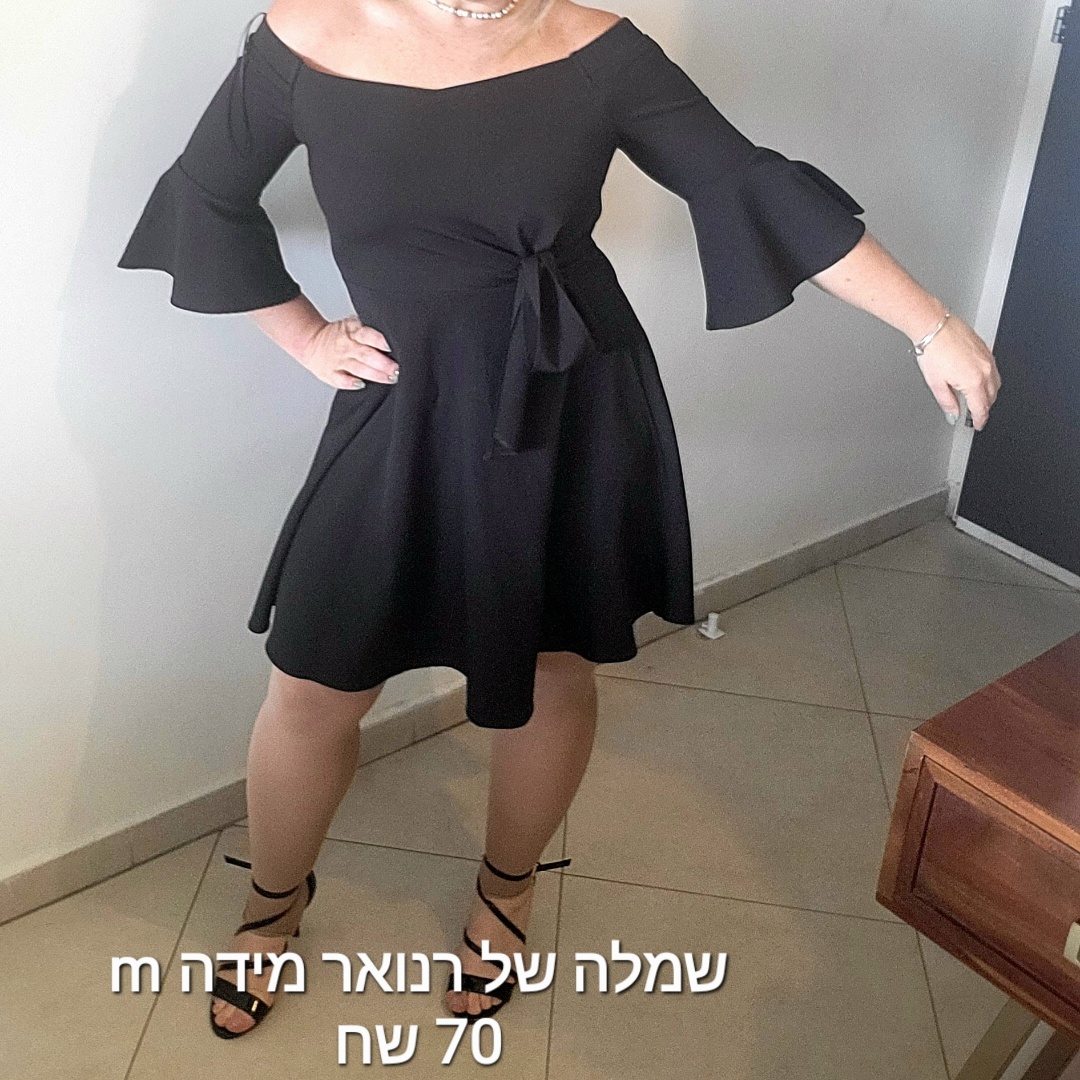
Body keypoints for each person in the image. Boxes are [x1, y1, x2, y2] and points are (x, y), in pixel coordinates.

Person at [117, 0, 1001, 1038]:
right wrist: (308, 338)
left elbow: (749, 180)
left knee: (548, 667)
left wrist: (930, 324)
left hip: (565, 400)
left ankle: (507, 892)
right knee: (314, 679)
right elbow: (203, 196)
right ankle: (272, 903)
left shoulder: (597, 50)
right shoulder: (304, 38)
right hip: (401, 405)